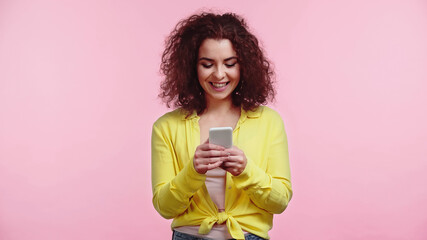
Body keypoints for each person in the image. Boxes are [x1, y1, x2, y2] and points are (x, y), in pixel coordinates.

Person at [151, 12, 292, 240]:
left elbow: (280, 201)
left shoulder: (269, 122)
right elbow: (165, 207)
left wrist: (246, 171)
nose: (219, 74)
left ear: (244, 65)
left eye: (230, 63)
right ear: (191, 67)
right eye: (207, 64)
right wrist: (193, 171)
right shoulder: (166, 127)